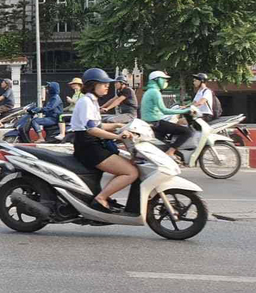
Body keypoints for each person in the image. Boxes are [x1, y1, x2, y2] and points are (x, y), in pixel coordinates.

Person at [69, 68, 138, 212]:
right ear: (93, 85)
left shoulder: (92, 101)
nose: (107, 86)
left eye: (108, 83)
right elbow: (91, 129)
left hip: (93, 144)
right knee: (131, 172)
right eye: (103, 83)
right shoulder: (86, 102)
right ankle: (100, 198)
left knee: (131, 164)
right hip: (88, 147)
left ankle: (103, 196)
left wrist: (119, 125)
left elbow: (98, 125)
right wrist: (117, 136)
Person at [141, 70, 191, 156]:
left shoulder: (149, 91)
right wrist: (184, 111)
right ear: (157, 80)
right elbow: (164, 110)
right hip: (156, 123)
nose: (165, 82)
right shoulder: (155, 92)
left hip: (151, 122)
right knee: (187, 132)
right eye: (163, 80)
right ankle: (171, 152)